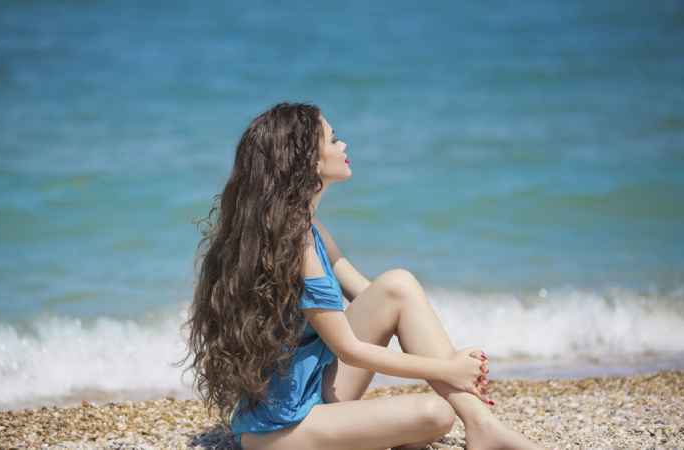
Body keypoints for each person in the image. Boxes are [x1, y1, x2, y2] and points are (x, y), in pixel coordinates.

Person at [179, 102, 546, 449]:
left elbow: (380, 297)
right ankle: (474, 427)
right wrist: (446, 368)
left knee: (399, 284)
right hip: (280, 427)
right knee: (436, 413)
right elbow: (349, 350)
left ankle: (483, 427)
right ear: (307, 159)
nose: (344, 144)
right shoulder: (296, 245)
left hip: (312, 386)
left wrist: (447, 355)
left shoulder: (311, 229)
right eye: (334, 138)